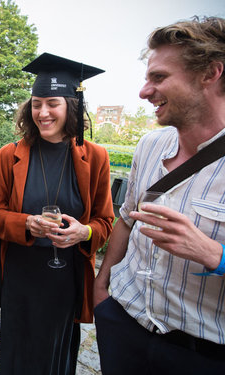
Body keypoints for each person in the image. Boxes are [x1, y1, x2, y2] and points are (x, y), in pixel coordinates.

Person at [93, 16, 225, 374]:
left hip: (199, 352)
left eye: (159, 78)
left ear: (211, 73)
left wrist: (214, 254)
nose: (144, 91)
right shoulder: (150, 145)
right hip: (122, 322)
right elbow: (125, 221)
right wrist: (102, 289)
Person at [0, 52, 115, 375]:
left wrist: (83, 233)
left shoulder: (96, 157)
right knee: (16, 357)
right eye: (36, 103)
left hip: (63, 283)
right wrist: (26, 223)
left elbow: (105, 222)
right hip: (19, 278)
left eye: (52, 103)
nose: (42, 112)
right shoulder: (6, 157)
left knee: (54, 360)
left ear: (72, 104)